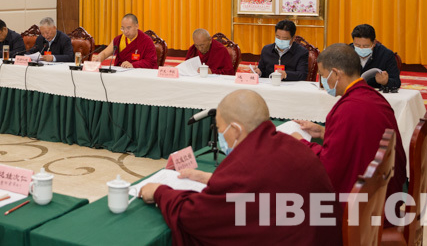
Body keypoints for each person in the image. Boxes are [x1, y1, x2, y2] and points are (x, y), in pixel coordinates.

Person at [139, 90, 341, 246]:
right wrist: (208, 178)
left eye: (220, 129)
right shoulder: (290, 144)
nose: (220, 136)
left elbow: (196, 217)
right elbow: (262, 187)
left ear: (236, 129)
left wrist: (159, 192)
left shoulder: (247, 163)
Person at [293, 44, 407, 214]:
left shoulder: (348, 109)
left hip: (363, 210)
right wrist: (324, 132)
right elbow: (358, 141)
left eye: (322, 75)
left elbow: (328, 169)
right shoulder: (371, 95)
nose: (322, 82)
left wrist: (302, 144)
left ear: (336, 73)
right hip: (385, 194)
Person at [92, 14, 157, 69]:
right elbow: (105, 53)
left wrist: (133, 65)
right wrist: (99, 58)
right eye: (123, 28)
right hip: (121, 73)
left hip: (139, 74)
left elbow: (150, 61)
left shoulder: (146, 41)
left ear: (137, 26)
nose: (125, 31)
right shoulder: (119, 39)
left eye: (128, 28)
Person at [349, 24, 401, 89]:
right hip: (351, 91)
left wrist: (386, 82)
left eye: (366, 46)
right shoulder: (346, 53)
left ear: (374, 43)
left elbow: (396, 82)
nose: (361, 48)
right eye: (357, 45)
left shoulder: (386, 54)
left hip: (375, 92)